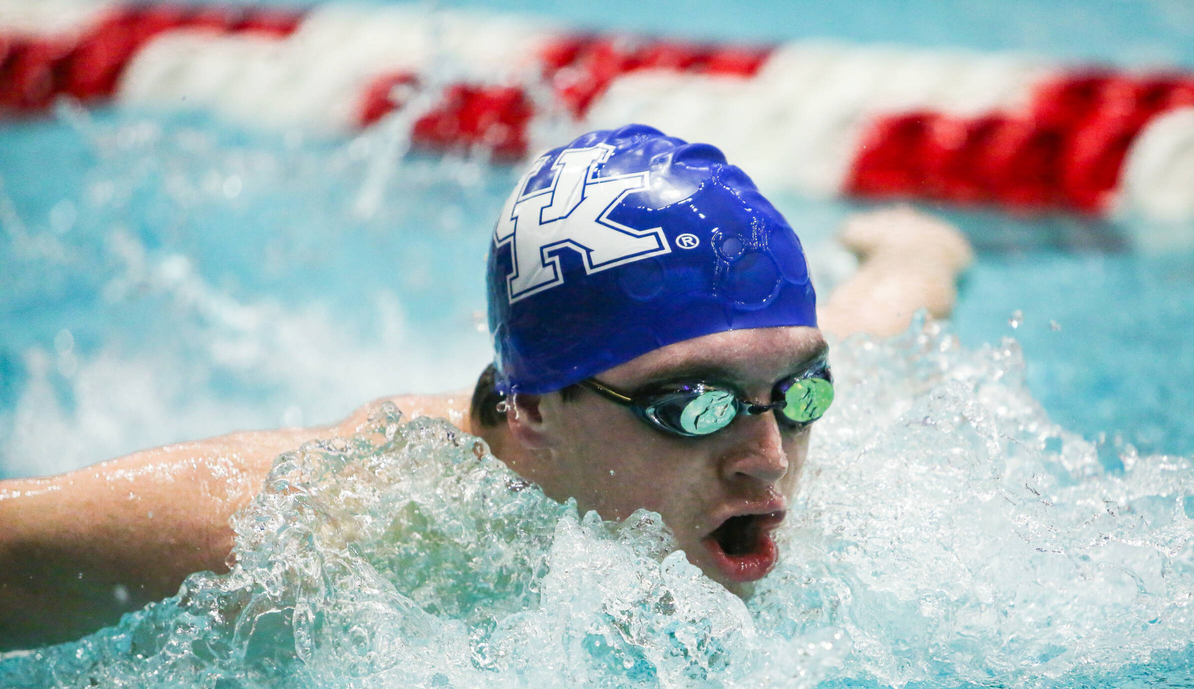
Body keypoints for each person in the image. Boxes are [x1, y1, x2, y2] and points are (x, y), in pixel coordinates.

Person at [0, 125, 972, 649]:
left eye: (799, 392)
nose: (766, 456)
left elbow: (895, 298)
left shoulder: (778, 402)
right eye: (692, 406)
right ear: (539, 407)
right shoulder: (334, 526)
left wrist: (914, 243)